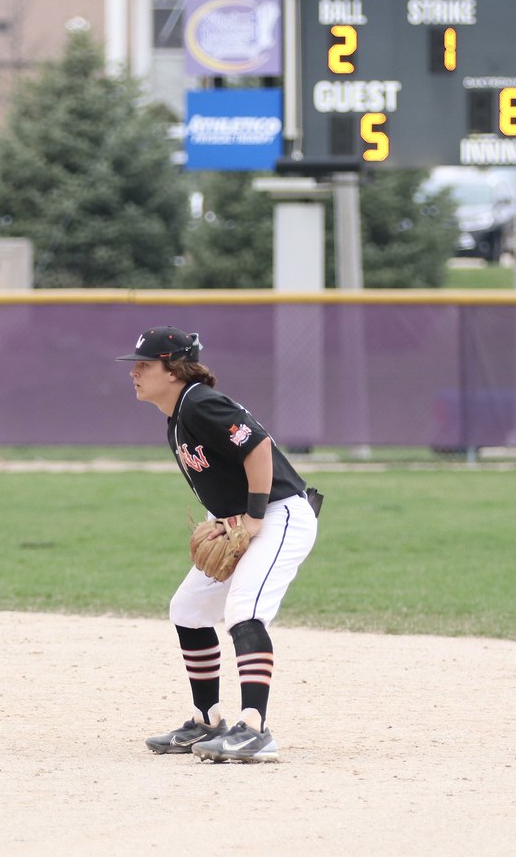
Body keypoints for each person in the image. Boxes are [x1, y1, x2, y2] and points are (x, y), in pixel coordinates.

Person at [115, 325, 320, 763]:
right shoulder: (178, 415)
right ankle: (206, 721)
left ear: (172, 371)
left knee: (244, 610)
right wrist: (222, 523)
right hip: (239, 520)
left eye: (144, 365)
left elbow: (259, 448)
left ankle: (255, 728)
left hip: (281, 515)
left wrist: (254, 518)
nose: (134, 373)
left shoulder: (200, 403)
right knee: (188, 610)